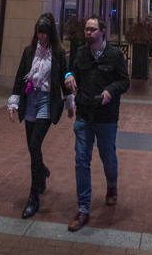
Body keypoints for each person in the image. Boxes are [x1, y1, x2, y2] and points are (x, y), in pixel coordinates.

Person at [7, 13, 75, 219]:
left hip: (46, 100)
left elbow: (64, 75)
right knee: (32, 147)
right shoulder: (29, 52)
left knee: (35, 145)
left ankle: (33, 197)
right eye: (38, 32)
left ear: (50, 34)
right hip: (30, 99)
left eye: (44, 33)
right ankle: (42, 170)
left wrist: (70, 101)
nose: (41, 36)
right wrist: (14, 101)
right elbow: (20, 76)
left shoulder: (58, 53)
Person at [67, 16, 130, 232]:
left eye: (93, 29)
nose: (88, 33)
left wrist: (109, 91)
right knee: (81, 161)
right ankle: (83, 208)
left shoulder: (114, 56)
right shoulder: (81, 54)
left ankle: (111, 187)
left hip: (106, 117)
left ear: (103, 31)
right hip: (84, 115)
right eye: (86, 29)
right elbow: (72, 70)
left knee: (108, 158)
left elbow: (124, 81)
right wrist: (68, 75)